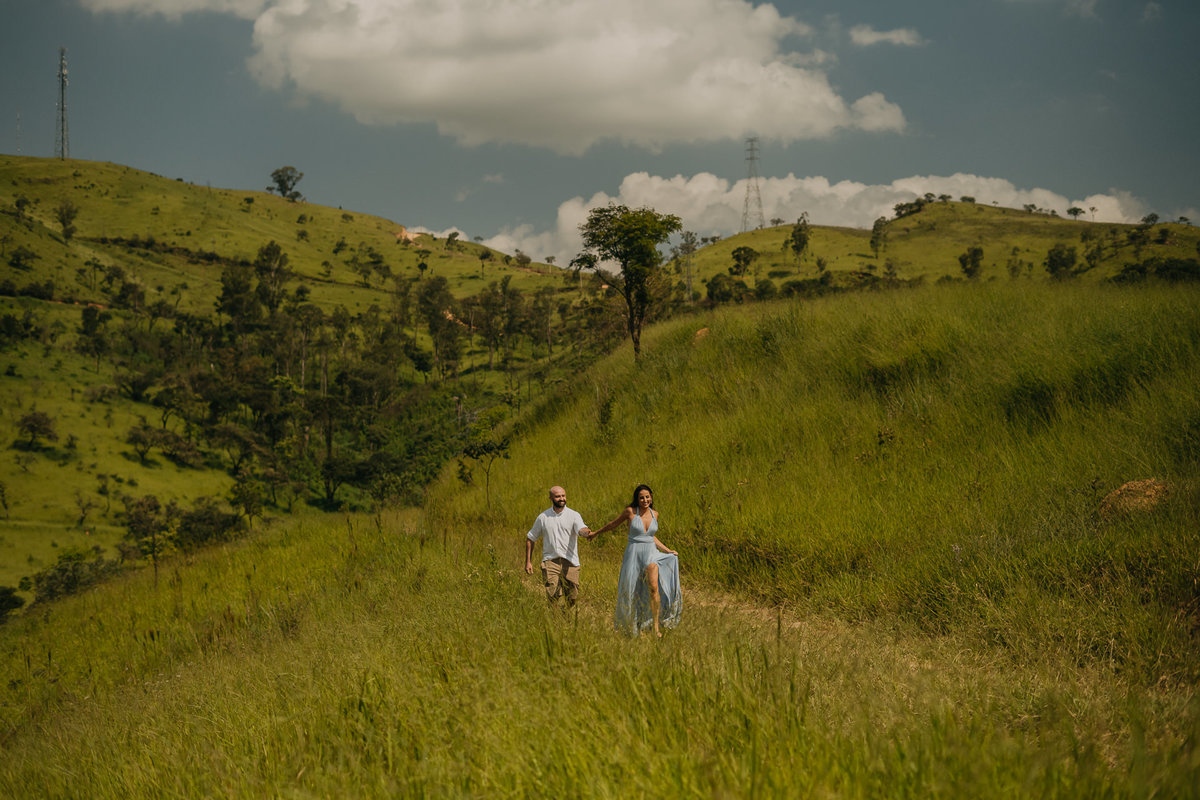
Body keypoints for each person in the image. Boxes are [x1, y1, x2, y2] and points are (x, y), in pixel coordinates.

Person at [590, 484, 681, 637]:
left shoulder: (655, 514)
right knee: (633, 589)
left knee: (653, 587)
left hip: (651, 554)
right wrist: (596, 533)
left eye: (647, 497)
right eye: (641, 497)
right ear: (637, 499)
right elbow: (613, 524)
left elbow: (651, 537)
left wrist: (667, 550)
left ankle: (656, 627)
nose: (645, 500)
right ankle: (633, 624)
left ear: (651, 497)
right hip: (633, 555)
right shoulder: (630, 512)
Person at [524, 485, 592, 607]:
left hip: (570, 561)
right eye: (557, 496)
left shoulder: (574, 515)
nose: (561, 498)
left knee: (572, 596)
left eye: (563, 496)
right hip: (551, 561)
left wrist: (586, 532)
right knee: (552, 595)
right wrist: (528, 561)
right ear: (550, 498)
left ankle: (564, 614)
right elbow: (530, 538)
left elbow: (581, 529)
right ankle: (554, 620)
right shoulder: (543, 517)